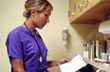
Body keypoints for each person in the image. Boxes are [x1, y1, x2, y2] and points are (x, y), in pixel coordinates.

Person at [6, 0, 68, 72]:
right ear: (33, 13)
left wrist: (58, 62)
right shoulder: (15, 35)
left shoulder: (36, 35)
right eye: (46, 15)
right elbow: (18, 70)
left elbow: (38, 64)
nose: (48, 20)